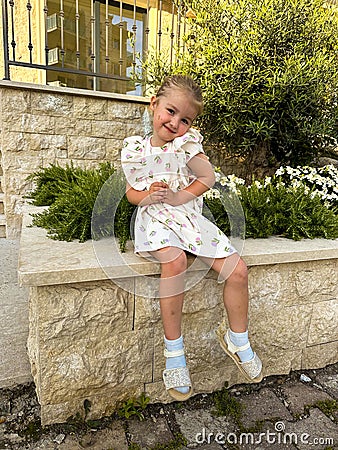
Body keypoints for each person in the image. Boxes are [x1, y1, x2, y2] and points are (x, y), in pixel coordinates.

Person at [121, 74, 262, 401]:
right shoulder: (135, 149)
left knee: (237, 270)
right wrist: (146, 194)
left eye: (185, 119)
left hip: (187, 217)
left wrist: (180, 197)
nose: (175, 123)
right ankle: (175, 352)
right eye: (170, 112)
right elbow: (130, 192)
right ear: (153, 105)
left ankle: (237, 340)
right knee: (175, 261)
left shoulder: (187, 145)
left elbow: (207, 177)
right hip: (155, 217)